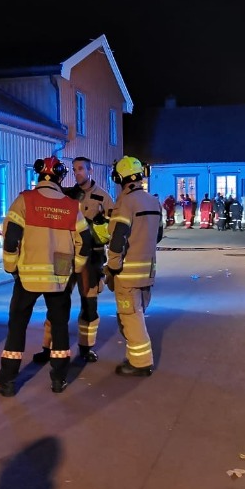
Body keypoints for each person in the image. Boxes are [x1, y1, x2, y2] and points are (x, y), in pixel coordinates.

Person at [0, 156, 92, 396]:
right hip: (59, 273)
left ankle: (7, 380)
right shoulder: (71, 205)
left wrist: (10, 266)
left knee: (17, 327)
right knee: (59, 327)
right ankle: (58, 379)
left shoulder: (25, 200)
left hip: (27, 275)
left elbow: (12, 236)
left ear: (39, 176)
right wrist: (75, 268)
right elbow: (84, 242)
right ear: (59, 178)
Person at [33, 156, 114, 364]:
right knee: (57, 301)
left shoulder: (103, 198)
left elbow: (113, 229)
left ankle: (86, 348)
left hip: (92, 257)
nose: (77, 173)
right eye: (74, 169)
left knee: (89, 304)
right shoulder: (65, 194)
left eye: (80, 169)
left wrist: (97, 227)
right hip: (64, 256)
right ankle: (47, 346)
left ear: (90, 170)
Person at [106, 156, 163, 377]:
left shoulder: (125, 202)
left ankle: (140, 363)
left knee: (131, 317)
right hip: (147, 271)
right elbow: (157, 235)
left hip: (127, 273)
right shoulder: (153, 201)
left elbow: (118, 238)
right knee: (137, 314)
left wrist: (112, 266)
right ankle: (135, 357)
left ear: (121, 178)